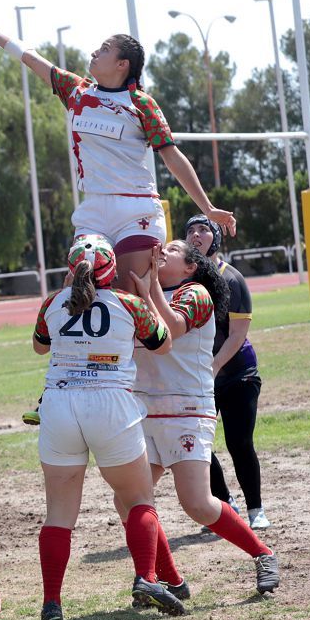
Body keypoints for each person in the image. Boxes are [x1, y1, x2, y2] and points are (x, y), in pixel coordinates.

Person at [0, 11, 236, 293]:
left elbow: (172, 157)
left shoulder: (141, 103)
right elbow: (31, 58)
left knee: (133, 298)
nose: (94, 52)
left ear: (122, 64)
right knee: (82, 293)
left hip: (136, 210)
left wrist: (208, 208)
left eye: (104, 49)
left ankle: (164, 336)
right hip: (92, 210)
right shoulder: (77, 91)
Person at [32, 235, 185, 620]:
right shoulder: (129, 305)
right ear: (111, 270)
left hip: (60, 405)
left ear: (71, 269)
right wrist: (146, 294)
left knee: (59, 514)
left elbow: (39, 347)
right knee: (138, 500)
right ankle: (145, 578)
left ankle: (51, 603)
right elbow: (164, 345)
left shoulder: (52, 303)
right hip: (111, 405)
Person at [121, 241, 280, 596]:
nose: (163, 250)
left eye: (173, 249)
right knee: (129, 499)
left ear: (190, 267)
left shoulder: (197, 294)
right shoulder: (138, 292)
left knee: (196, 503)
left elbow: (172, 328)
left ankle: (263, 553)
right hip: (144, 409)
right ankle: (161, 580)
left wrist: (147, 292)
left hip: (187, 410)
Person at [186, 215, 270, 529]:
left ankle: (255, 510)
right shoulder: (182, 280)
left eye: (204, 229)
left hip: (237, 374)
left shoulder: (231, 278)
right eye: (191, 230)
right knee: (193, 444)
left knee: (238, 442)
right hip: (199, 377)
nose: (196, 234)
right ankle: (225, 503)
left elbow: (237, 334)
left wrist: (214, 365)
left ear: (216, 239)